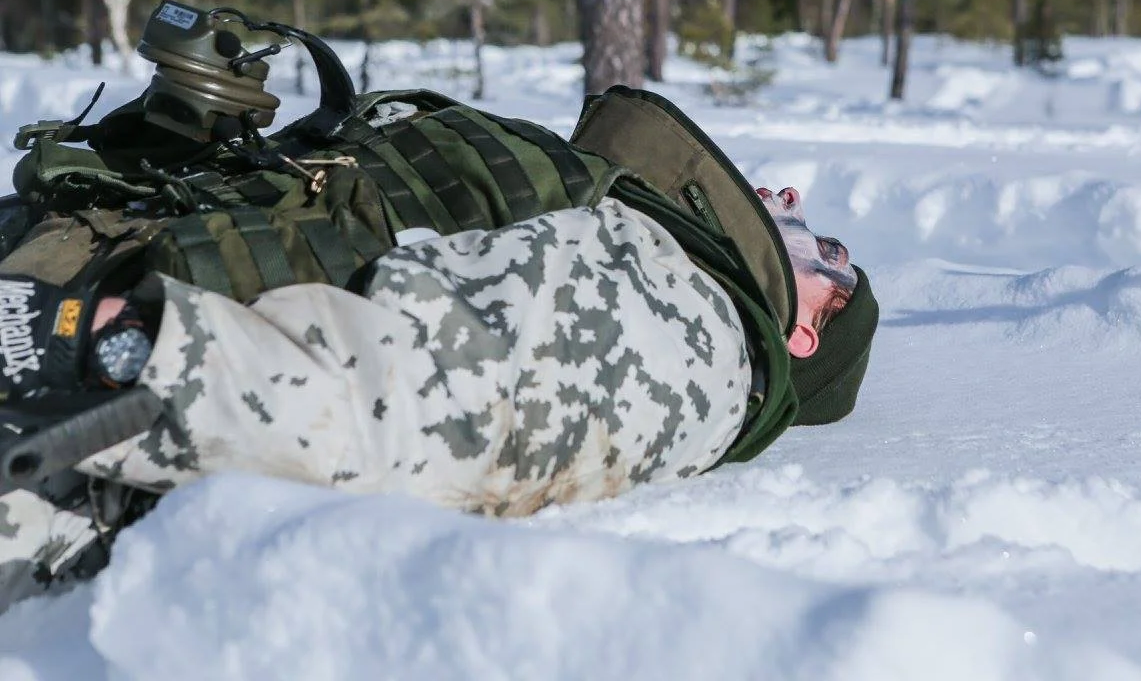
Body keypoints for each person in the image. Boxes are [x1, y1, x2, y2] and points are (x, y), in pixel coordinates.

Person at [0, 85, 878, 612]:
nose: (796, 196)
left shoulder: (705, 327)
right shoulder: (614, 219)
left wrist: (95, 349)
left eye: (829, 252)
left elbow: (427, 404)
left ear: (805, 330)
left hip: (64, 432)